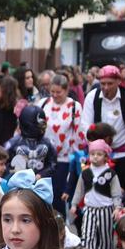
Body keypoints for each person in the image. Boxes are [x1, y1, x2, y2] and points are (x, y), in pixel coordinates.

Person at [70, 139, 121, 249]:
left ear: (105, 156)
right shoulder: (86, 172)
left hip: (106, 209)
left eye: (99, 154)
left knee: (105, 235)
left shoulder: (110, 173)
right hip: (89, 208)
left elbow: (116, 192)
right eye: (92, 154)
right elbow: (79, 190)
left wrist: (117, 207)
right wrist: (74, 204)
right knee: (87, 233)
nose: (95, 157)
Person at [40, 78, 84, 214]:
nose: (55, 95)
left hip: (65, 159)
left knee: (60, 196)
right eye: (52, 91)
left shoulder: (74, 106)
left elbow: (79, 132)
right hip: (45, 158)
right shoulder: (43, 104)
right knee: (45, 195)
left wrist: (78, 158)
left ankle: (60, 226)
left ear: (66, 90)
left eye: (58, 92)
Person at [6, 104, 57, 177]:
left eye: (43, 125)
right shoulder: (13, 143)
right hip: (17, 182)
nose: (42, 129)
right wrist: (13, 173)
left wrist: (41, 174)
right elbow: (4, 163)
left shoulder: (48, 143)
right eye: (39, 126)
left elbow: (53, 164)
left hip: (41, 183)